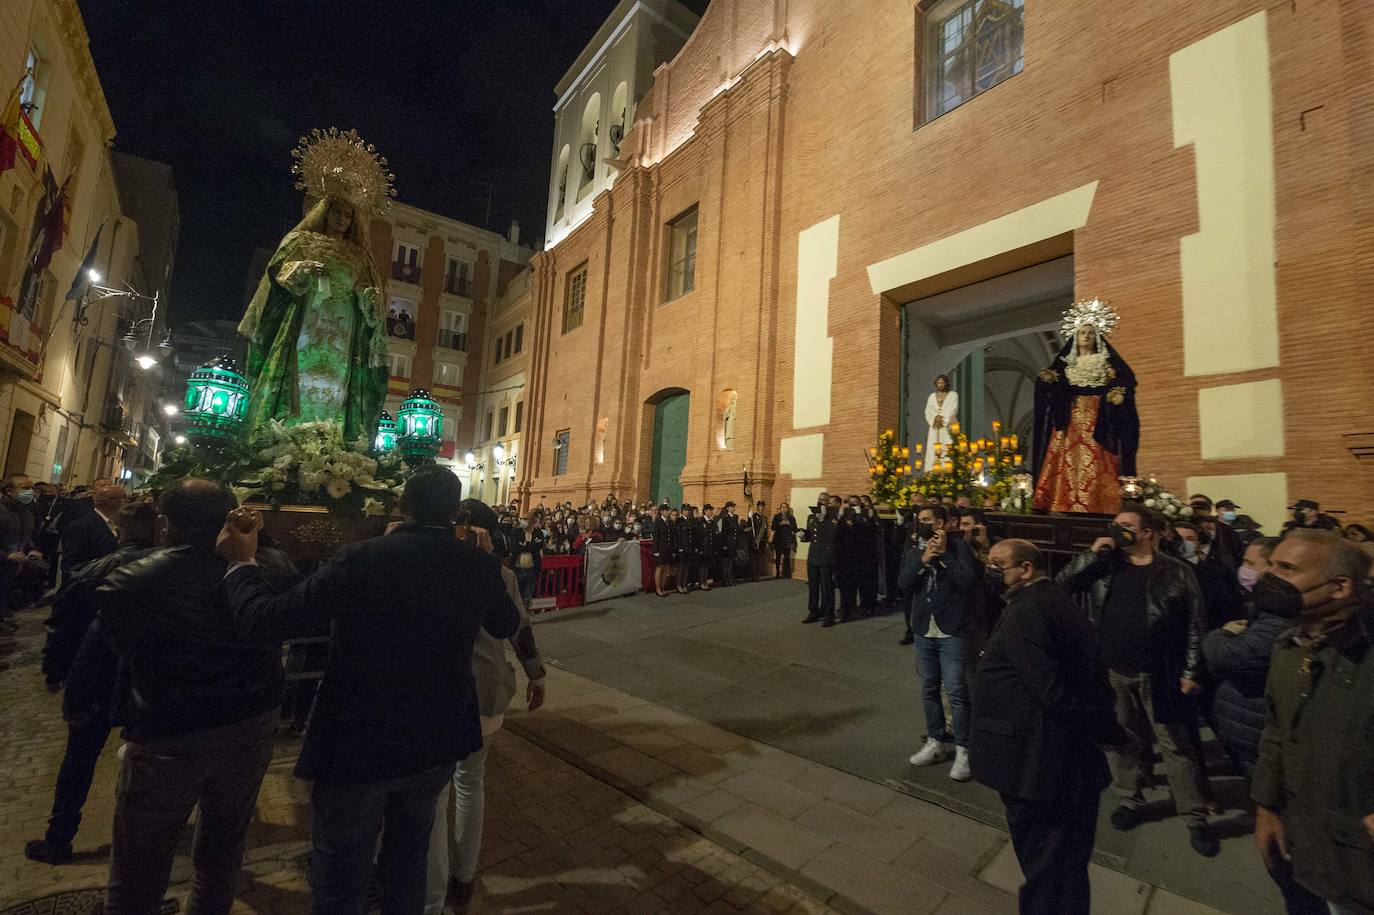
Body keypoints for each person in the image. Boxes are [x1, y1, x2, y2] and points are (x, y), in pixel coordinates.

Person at [216, 465, 521, 915]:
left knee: (342, 870)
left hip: (359, 740)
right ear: (454, 512)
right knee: (408, 862)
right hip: (435, 739)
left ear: (402, 506)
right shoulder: (476, 566)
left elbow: (268, 621)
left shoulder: (360, 557)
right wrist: (485, 561)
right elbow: (506, 623)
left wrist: (242, 564)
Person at [94, 480, 298, 914]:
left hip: (168, 730)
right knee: (222, 850)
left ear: (164, 524)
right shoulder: (273, 569)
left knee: (138, 866)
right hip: (249, 722)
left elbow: (122, 647)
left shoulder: (130, 581)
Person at [1057, 506, 1218, 857]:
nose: (1118, 531)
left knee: (1176, 745)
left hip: (1161, 671)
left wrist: (1191, 672)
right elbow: (1064, 583)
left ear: (1147, 533)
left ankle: (1194, 816)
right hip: (1113, 669)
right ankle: (1130, 798)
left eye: (1126, 526)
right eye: (1114, 525)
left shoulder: (1177, 572)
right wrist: (1093, 553)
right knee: (1122, 739)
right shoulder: (1105, 566)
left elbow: (1195, 625)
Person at [972, 540, 1114, 915]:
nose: (991, 570)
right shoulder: (1046, 600)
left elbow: (1052, 691)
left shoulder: (1028, 611)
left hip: (1038, 767)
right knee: (1060, 871)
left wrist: (1104, 731)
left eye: (997, 564)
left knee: (1048, 875)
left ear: (1026, 569)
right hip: (1054, 762)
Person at [425, 500, 546, 914]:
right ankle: (463, 878)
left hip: (442, 691)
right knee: (470, 785)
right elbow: (519, 628)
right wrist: (536, 674)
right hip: (488, 690)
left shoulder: (431, 567)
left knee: (437, 796)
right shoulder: (501, 574)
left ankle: (435, 894)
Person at [25, 500, 159, 865]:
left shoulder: (90, 573)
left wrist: (55, 671)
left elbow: (61, 625)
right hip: (147, 680)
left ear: (120, 530)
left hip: (95, 676)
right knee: (146, 758)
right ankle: (142, 841)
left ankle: (59, 838)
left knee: (79, 759)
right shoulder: (168, 571)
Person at [1252, 531, 1374, 915]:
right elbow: (1276, 730)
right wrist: (1266, 806)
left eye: (1286, 569)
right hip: (1311, 845)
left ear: (1340, 587)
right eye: (1270, 565)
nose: (1268, 578)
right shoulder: (1288, 647)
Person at [239, 191, 389, 443]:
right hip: (306, 319)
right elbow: (277, 274)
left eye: (348, 214)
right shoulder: (302, 241)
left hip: (343, 330)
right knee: (299, 370)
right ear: (325, 212)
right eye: (337, 212)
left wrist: (369, 297)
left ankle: (332, 436)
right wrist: (304, 269)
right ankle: (288, 433)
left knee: (338, 380)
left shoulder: (359, 255)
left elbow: (366, 290)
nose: (342, 218)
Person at [1032, 301, 1139, 513]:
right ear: (1076, 336)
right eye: (1082, 332)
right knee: (1066, 459)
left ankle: (1097, 501)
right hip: (1070, 416)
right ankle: (1061, 500)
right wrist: (1049, 381)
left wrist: (1116, 392)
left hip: (1097, 417)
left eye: (1091, 333)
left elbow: (1125, 380)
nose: (1086, 336)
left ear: (1097, 337)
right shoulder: (1068, 364)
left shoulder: (1105, 361)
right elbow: (1054, 383)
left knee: (1098, 459)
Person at [900, 503, 979, 781]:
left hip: (951, 630)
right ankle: (935, 742)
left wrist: (943, 556)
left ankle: (964, 749)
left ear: (942, 523)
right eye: (920, 520)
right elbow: (904, 584)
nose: (923, 524)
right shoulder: (913, 550)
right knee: (928, 689)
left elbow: (968, 582)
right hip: (924, 628)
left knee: (957, 692)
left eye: (928, 520)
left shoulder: (959, 549)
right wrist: (923, 561)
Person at [1200, 538, 1289, 776]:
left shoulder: (1279, 614)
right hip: (1246, 723)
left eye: (1251, 563)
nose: (1245, 570)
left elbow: (1226, 656)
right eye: (1244, 562)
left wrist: (1222, 634)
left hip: (1257, 724)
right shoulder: (1260, 603)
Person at [59, 479, 126, 583]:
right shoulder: (81, 527)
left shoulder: (122, 525)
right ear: (109, 501)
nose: (126, 501)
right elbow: (72, 566)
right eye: (123, 498)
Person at [801, 494, 838, 626]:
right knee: (813, 586)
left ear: (828, 503)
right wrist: (803, 535)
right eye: (819, 499)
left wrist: (823, 520)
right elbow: (811, 535)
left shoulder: (832, 517)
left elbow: (833, 535)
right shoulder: (811, 517)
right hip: (813, 556)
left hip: (826, 557)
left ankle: (829, 614)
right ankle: (813, 612)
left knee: (827, 587)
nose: (820, 502)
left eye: (823, 500)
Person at [924, 375, 959, 460]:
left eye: (942, 382)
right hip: (935, 426)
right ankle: (932, 470)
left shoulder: (953, 395)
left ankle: (947, 469)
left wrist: (942, 418)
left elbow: (953, 409)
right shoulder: (932, 396)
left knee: (947, 447)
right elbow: (928, 410)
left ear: (946, 383)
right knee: (933, 449)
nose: (940, 385)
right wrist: (935, 417)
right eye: (938, 382)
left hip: (947, 426)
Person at [653, 506, 677, 598]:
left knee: (666, 568)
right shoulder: (658, 522)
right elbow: (656, 538)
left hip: (668, 549)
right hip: (660, 549)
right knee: (660, 568)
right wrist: (655, 550)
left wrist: (673, 549)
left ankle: (663, 588)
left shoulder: (670, 522)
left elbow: (673, 537)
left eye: (669, 510)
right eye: (667, 510)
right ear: (662, 512)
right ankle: (658, 589)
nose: (668, 512)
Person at [771, 502, 797, 579]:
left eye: (785, 507)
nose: (783, 508)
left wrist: (789, 524)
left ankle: (786, 573)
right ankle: (777, 573)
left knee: (786, 558)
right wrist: (780, 524)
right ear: (780, 508)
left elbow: (795, 528)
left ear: (787, 509)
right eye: (782, 507)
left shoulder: (791, 517)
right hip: (778, 540)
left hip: (787, 541)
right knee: (778, 557)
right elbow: (773, 527)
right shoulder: (776, 517)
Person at [747, 501, 769, 581]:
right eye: (760, 506)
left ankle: (757, 575)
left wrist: (766, 541)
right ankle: (753, 576)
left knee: (759, 559)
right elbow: (750, 527)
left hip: (762, 541)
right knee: (753, 559)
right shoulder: (753, 516)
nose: (761, 508)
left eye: (762, 506)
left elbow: (765, 531)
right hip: (755, 541)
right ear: (757, 507)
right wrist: (749, 518)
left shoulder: (764, 518)